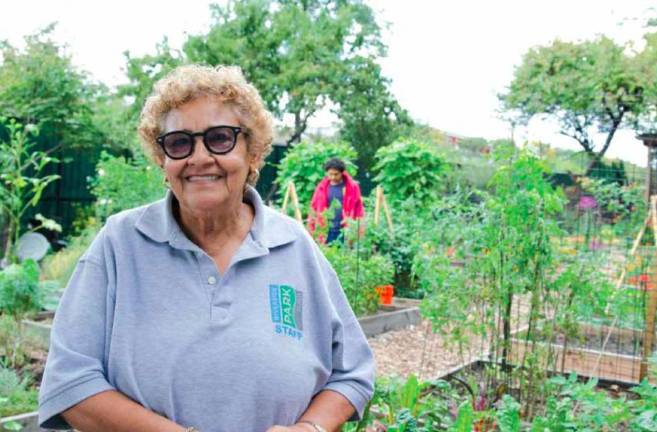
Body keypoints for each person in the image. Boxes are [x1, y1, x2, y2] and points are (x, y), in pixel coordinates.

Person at [38, 65, 374, 432]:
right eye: (180, 142)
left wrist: (310, 428)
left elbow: (352, 373)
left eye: (219, 138)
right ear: (162, 159)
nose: (199, 157)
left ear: (253, 152)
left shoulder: (294, 246)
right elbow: (70, 381)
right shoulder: (120, 244)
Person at [308, 159, 364, 244]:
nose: (333, 177)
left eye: (336, 174)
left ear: (342, 172)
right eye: (330, 174)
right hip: (326, 231)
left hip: (345, 230)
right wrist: (311, 228)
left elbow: (359, 209)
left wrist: (359, 230)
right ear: (327, 173)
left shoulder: (352, 187)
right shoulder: (321, 188)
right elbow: (313, 208)